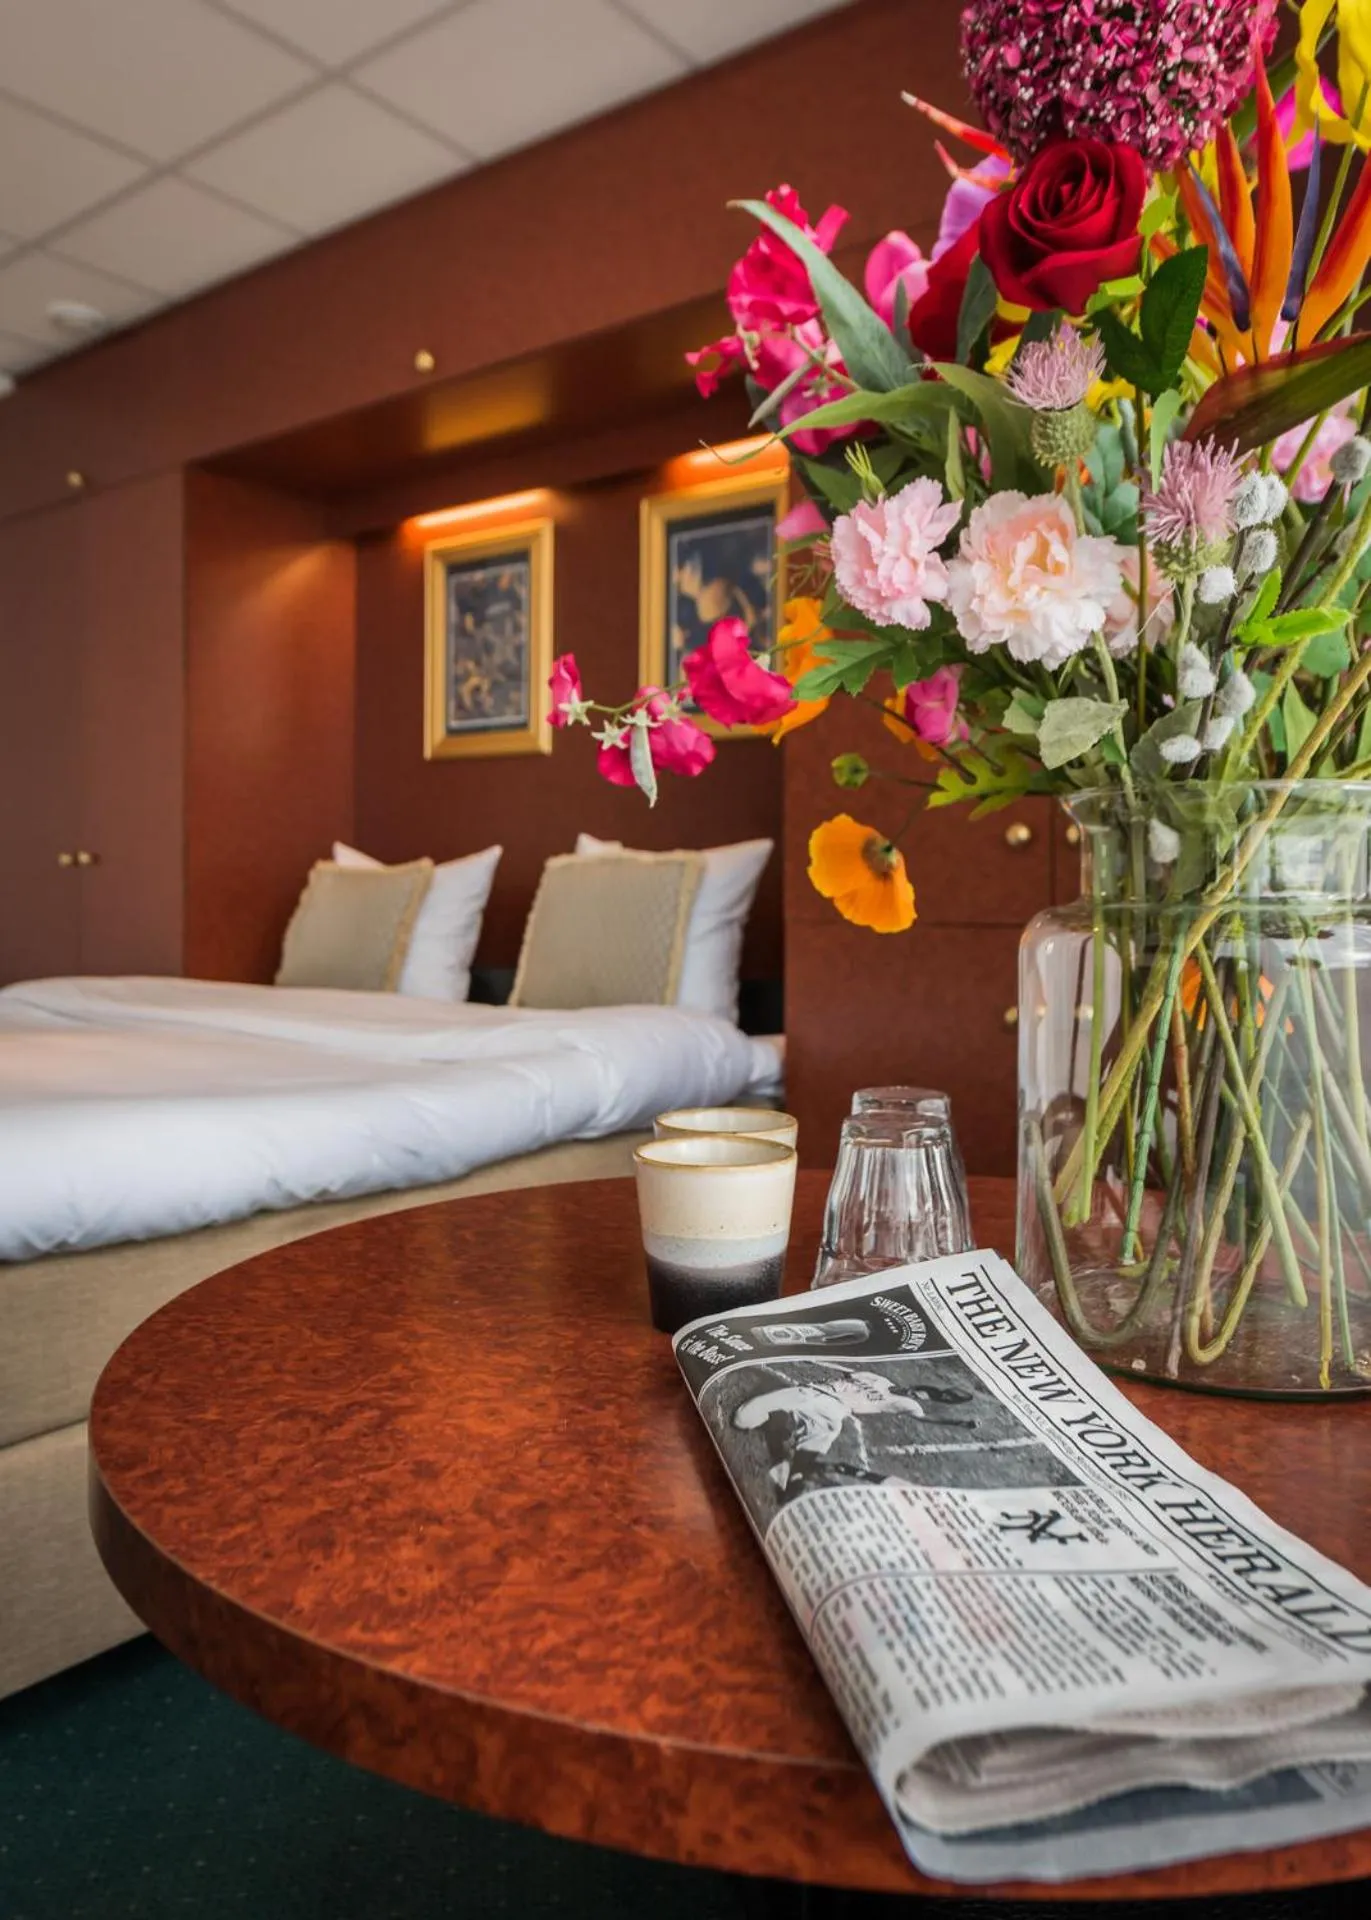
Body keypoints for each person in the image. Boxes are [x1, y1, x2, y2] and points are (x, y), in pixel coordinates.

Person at [732, 1366, 974, 1498]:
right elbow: (847, 1376)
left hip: (835, 1413)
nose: (915, 1394)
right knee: (742, 1420)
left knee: (817, 1443)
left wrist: (957, 1424)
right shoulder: (876, 1378)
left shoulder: (906, 1405)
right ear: (916, 1386)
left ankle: (792, 1477)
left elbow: (926, 1419)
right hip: (812, 1394)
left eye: (922, 1395)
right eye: (918, 1390)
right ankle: (778, 1423)